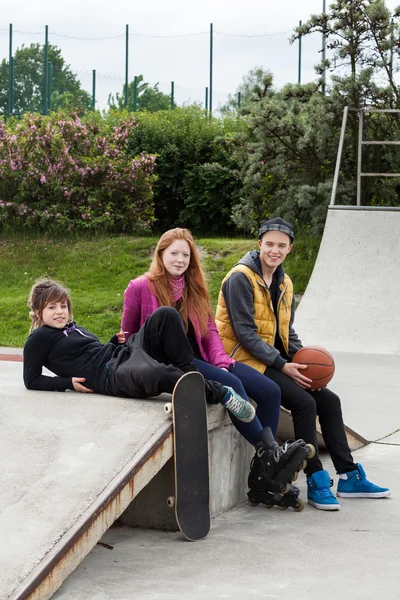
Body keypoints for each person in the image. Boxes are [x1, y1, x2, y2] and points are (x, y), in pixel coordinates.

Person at [23, 278, 311, 497]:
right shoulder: (40, 339)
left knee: (165, 315)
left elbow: (89, 352)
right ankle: (220, 393)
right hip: (111, 376)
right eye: (52, 307)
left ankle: (193, 378)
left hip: (119, 356)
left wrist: (113, 342)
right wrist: (67, 383)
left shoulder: (74, 328)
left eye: (63, 306)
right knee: (158, 373)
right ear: (38, 312)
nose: (60, 312)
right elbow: (31, 379)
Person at [121, 228, 314, 503]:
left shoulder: (194, 288)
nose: (179, 259)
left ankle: (264, 477)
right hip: (171, 363)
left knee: (270, 391)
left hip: (201, 356)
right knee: (233, 386)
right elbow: (128, 335)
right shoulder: (141, 286)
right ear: (160, 254)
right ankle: (270, 456)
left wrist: (222, 361)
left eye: (185, 254)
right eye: (173, 253)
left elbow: (210, 330)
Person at [215, 217, 390, 511]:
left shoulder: (284, 282)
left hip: (272, 358)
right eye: (269, 244)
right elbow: (245, 334)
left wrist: (304, 361)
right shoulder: (239, 278)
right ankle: (315, 479)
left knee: (329, 400)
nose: (275, 250)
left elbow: (287, 333)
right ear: (259, 244)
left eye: (281, 245)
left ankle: (348, 476)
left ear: (289, 248)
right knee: (304, 403)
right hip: (243, 359)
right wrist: (284, 366)